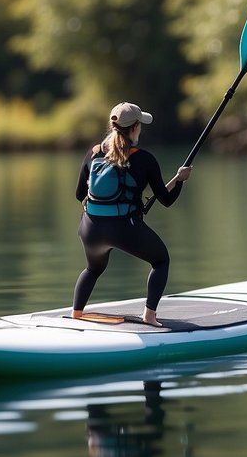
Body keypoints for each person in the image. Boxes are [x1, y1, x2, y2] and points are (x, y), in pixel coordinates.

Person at [72, 102, 191, 326]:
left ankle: (76, 313)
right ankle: (150, 316)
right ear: (135, 128)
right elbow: (166, 200)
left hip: (90, 230)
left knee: (93, 268)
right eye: (140, 126)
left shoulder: (94, 153)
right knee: (161, 260)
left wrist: (175, 179)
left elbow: (79, 194)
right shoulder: (144, 159)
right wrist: (181, 181)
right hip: (124, 228)